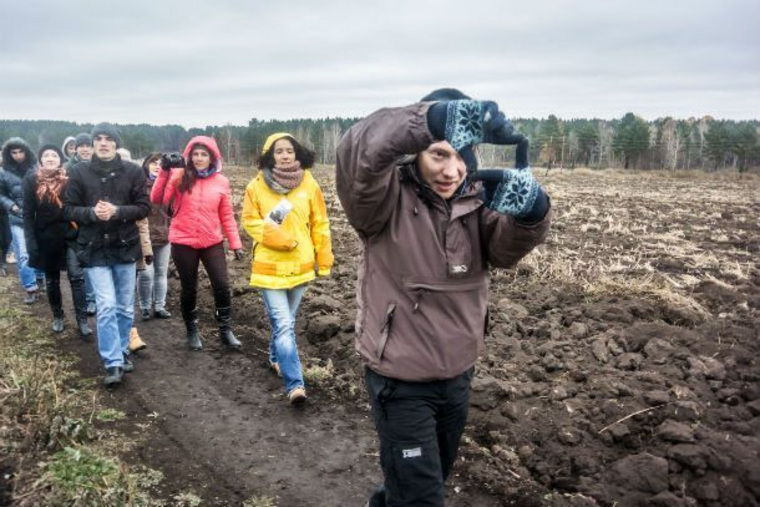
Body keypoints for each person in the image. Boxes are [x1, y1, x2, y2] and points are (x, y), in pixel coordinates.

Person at [336, 89, 552, 506]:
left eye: (460, 157)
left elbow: (505, 251)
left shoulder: (478, 201)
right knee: (422, 496)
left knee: (422, 479)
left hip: (457, 373)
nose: (451, 170)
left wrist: (532, 213)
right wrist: (433, 119)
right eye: (438, 154)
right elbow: (357, 151)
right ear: (416, 154)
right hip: (400, 380)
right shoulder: (381, 202)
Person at [241, 133, 334, 404]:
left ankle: (274, 358)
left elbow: (320, 223)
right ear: (270, 156)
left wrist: (324, 258)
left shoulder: (309, 184)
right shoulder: (256, 187)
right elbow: (250, 222)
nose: (284, 155)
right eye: (279, 151)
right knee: (283, 326)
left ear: (297, 154)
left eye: (289, 151)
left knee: (286, 323)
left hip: (301, 267)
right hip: (269, 269)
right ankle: (295, 385)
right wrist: (280, 239)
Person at [64, 123, 151, 387]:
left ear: (115, 143)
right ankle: (112, 361)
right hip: (93, 248)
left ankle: (123, 349)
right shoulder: (78, 172)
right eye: (98, 139)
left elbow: (144, 206)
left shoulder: (133, 172)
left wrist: (117, 211)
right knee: (106, 305)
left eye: (108, 139)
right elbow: (68, 209)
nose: (103, 143)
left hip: (124, 247)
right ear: (92, 144)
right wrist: (92, 213)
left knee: (125, 306)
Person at [150, 136, 243, 351]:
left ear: (212, 157)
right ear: (189, 156)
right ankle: (192, 331)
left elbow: (227, 215)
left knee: (221, 285)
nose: (199, 158)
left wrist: (235, 243)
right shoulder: (179, 175)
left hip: (212, 241)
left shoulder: (221, 182)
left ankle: (225, 329)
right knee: (189, 288)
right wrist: (165, 171)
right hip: (183, 242)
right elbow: (158, 199)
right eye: (195, 154)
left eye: (204, 154)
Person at [22, 145, 91, 337]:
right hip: (45, 237)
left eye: (54, 155)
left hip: (70, 236)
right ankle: (58, 316)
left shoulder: (70, 180)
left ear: (60, 159)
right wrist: (31, 243)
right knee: (52, 281)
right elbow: (27, 214)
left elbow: (79, 206)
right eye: (46, 155)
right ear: (40, 159)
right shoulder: (31, 180)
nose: (50, 158)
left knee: (76, 277)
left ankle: (82, 320)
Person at [0, 137, 44, 302]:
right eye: (14, 152)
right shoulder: (3, 172)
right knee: (24, 254)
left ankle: (40, 277)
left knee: (39, 249)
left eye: (20, 151)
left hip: (37, 217)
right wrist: (11, 206)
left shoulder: (36, 168)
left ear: (26, 151)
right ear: (8, 153)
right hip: (17, 218)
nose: (18, 155)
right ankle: (31, 288)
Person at [137, 153, 172, 320]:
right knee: (145, 273)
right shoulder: (139, 184)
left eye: (161, 163)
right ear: (146, 164)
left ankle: (159, 306)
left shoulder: (170, 184)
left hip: (165, 236)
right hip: (145, 237)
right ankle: (144, 306)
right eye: (153, 162)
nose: (157, 166)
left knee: (161, 273)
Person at [66, 133, 97, 315]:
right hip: (75, 222)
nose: (85, 149)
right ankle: (88, 299)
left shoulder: (98, 166)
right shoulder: (68, 169)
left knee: (93, 262)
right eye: (81, 145)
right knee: (82, 265)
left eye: (88, 145)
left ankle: (93, 299)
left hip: (95, 219)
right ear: (75, 148)